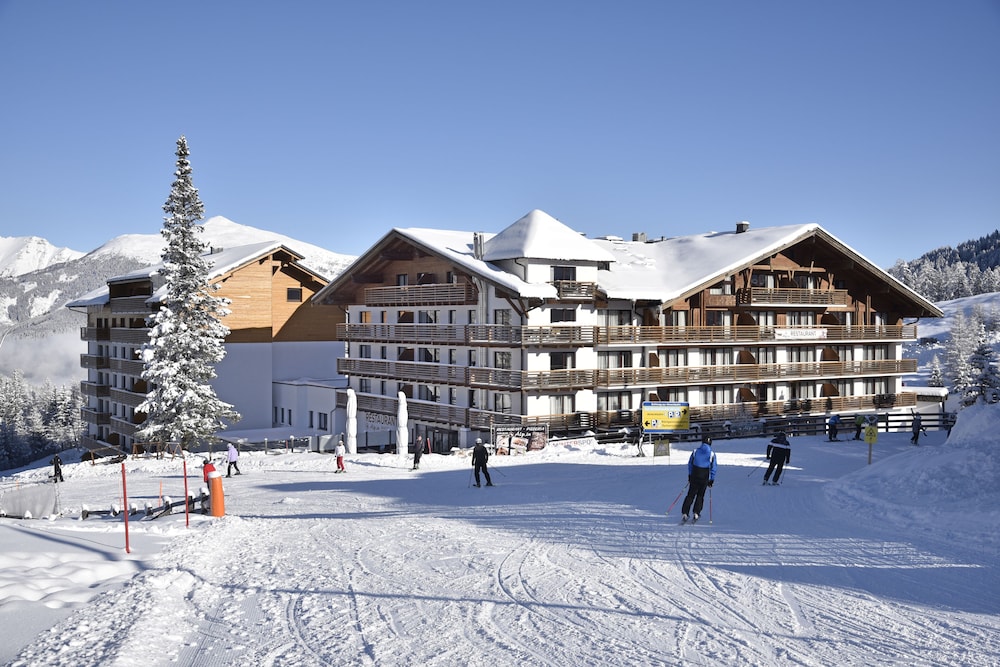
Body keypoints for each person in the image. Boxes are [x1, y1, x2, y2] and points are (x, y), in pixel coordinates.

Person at [681, 437, 717, 522]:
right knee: (700, 495)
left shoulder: (695, 451)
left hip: (695, 475)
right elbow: (714, 467)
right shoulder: (712, 454)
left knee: (690, 495)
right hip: (704, 476)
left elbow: (690, 464)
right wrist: (711, 479)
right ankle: (696, 512)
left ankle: (685, 513)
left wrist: (689, 475)